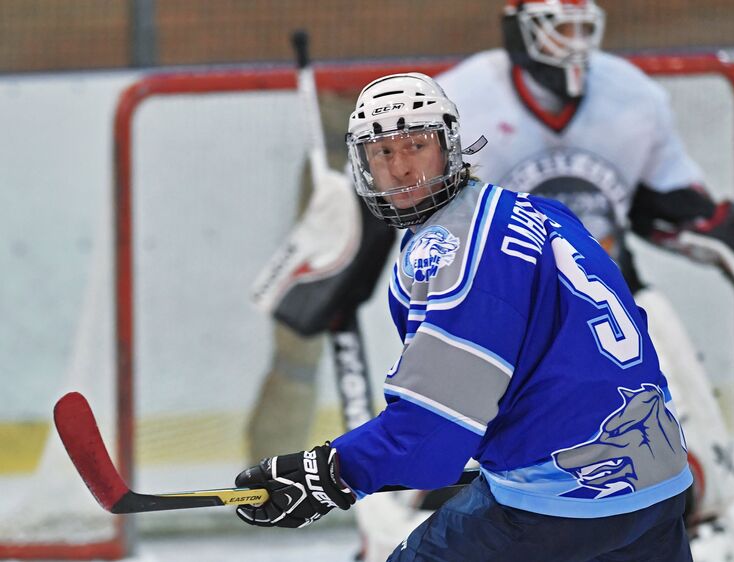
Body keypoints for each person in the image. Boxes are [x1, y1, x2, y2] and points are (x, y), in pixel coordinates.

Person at [234, 72, 695, 561]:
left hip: (561, 503)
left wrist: (330, 472)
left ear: (449, 146)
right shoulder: (541, 212)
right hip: (659, 489)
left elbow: (433, 433)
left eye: (415, 145)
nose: (401, 168)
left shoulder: (452, 249)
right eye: (382, 153)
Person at [420, 2, 734, 560]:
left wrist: (706, 225)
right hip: (509, 314)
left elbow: (663, 199)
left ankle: (712, 510)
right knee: (456, 447)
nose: (574, 45)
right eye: (559, 29)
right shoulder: (460, 102)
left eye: (583, 28)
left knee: (691, 441)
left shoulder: (633, 96)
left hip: (614, 295)